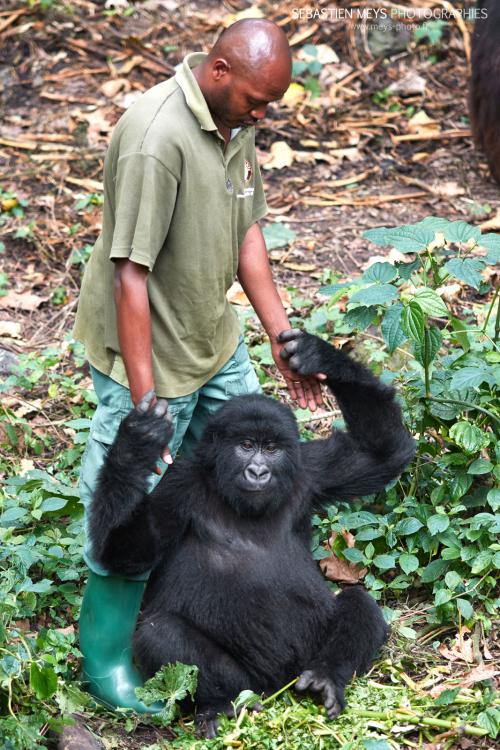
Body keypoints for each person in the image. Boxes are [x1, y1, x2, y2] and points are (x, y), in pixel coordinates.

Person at [74, 18, 324, 712]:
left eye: (270, 104)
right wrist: (145, 407)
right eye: (257, 101)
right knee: (126, 493)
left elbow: (246, 230)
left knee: (267, 460)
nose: (264, 115)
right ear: (218, 72)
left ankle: (251, 606)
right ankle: (108, 662)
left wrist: (278, 332)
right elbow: (130, 276)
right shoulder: (157, 141)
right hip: (149, 350)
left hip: (211, 336)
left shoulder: (232, 122)